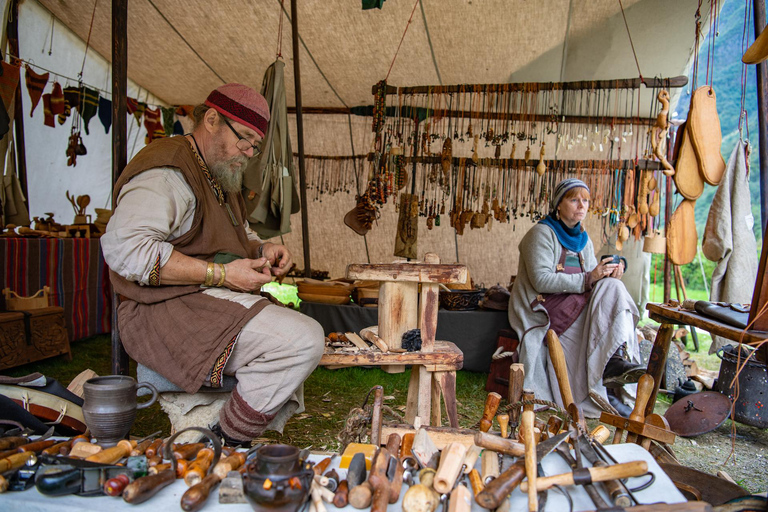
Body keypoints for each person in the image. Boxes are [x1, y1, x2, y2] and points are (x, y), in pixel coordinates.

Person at [102, 83, 325, 445]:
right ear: (211, 119)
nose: (249, 152)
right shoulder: (167, 173)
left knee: (300, 335)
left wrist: (262, 249)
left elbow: (238, 232)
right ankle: (227, 440)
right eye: (245, 140)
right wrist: (221, 274)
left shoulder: (220, 171)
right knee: (302, 341)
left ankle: (225, 438)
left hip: (202, 298)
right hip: (160, 310)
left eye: (255, 146)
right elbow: (127, 251)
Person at [508, 178, 644, 418]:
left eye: (585, 200)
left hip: (575, 304)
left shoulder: (583, 239)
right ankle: (605, 390)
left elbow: (592, 279)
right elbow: (541, 280)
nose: (581, 205)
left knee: (612, 286)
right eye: (574, 199)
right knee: (597, 322)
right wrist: (589, 278)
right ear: (558, 205)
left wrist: (612, 270)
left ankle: (614, 367)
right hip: (544, 310)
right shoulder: (540, 234)